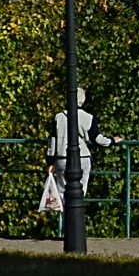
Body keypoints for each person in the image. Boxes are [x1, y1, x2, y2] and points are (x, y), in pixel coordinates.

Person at [41, 88, 118, 218]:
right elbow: (97, 139)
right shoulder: (88, 118)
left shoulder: (58, 117)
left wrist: (50, 161)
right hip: (82, 158)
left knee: (61, 192)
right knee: (79, 193)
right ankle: (76, 222)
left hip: (61, 158)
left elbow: (52, 141)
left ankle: (66, 225)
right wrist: (112, 140)